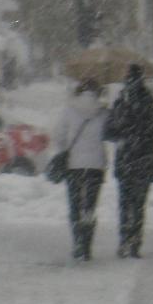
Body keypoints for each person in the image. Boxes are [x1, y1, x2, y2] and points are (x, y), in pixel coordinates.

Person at [102, 64, 153, 257]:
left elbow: (108, 132)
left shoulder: (120, 104)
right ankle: (135, 241)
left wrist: (123, 135)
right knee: (139, 204)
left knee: (124, 202)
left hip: (125, 158)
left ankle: (124, 239)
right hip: (146, 158)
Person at [51, 78, 108, 261]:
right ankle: (87, 244)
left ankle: (77, 242)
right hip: (96, 165)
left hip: (74, 165)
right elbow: (110, 134)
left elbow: (58, 134)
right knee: (90, 206)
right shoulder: (103, 112)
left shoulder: (69, 110)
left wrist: (64, 149)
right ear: (97, 91)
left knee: (75, 205)